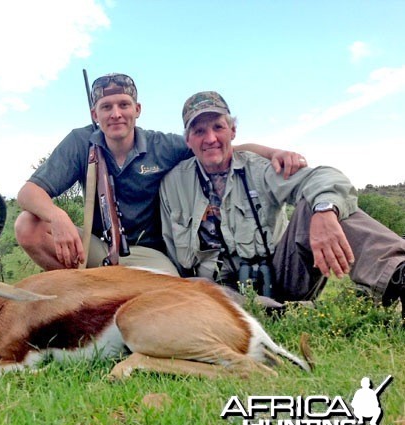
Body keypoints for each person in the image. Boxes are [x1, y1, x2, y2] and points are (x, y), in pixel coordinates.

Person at [15, 73, 306, 275]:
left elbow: (220, 148)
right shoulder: (81, 142)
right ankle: (81, 296)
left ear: (137, 109)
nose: (115, 114)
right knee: (28, 226)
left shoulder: (162, 145)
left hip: (150, 253)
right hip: (98, 247)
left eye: (123, 105)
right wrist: (59, 217)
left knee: (169, 289)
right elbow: (28, 193)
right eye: (106, 107)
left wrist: (271, 153)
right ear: (95, 115)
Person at [159, 90, 405, 317]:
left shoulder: (261, 166)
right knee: (196, 288)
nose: (210, 138)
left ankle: (398, 275)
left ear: (233, 131)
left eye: (218, 127)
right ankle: (280, 314)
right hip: (218, 292)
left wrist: (325, 212)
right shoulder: (171, 185)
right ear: (188, 141)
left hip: (281, 275)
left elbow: (324, 177)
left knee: (323, 202)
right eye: (199, 131)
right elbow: (173, 252)